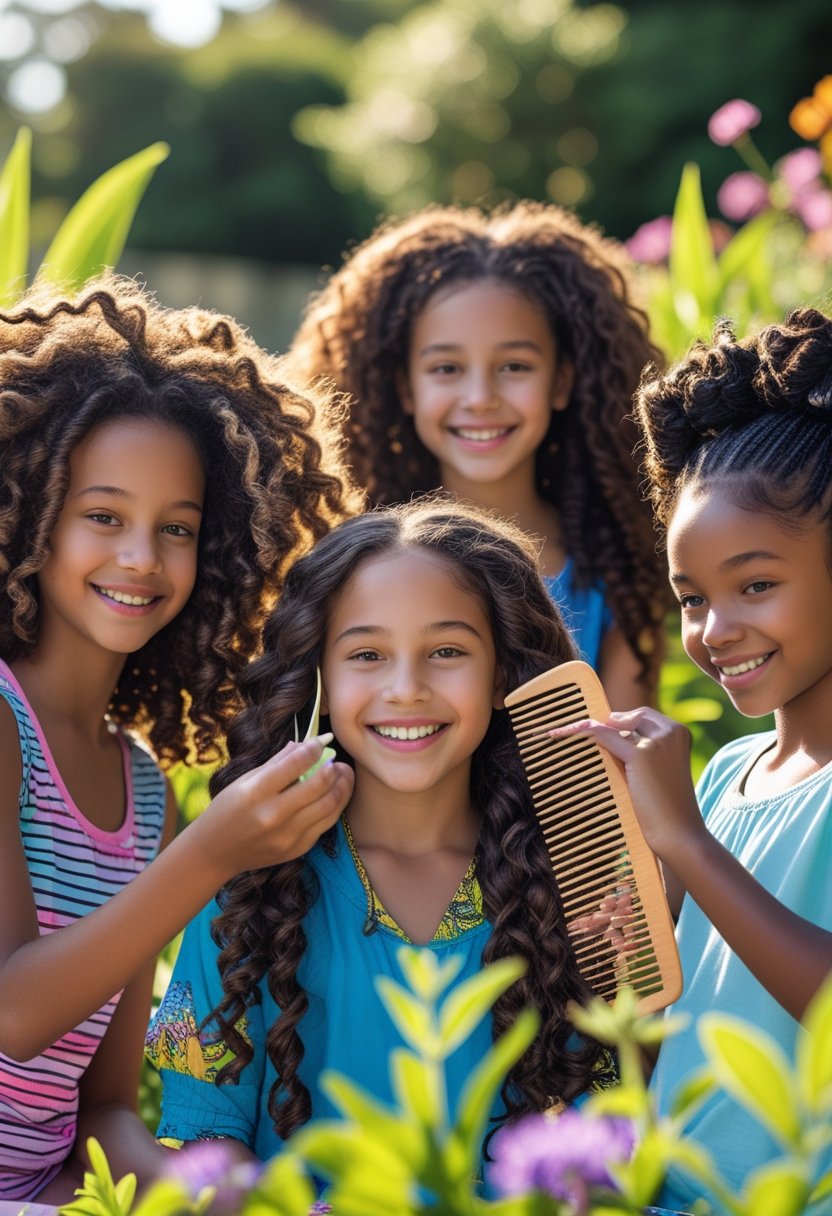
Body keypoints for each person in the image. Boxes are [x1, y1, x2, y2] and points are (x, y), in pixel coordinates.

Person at [0, 275, 357, 1203]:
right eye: (104, 517)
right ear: (26, 521)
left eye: (179, 530)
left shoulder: (146, 789)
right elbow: (12, 1014)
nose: (141, 559)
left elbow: (104, 1107)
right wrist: (211, 853)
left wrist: (210, 1190)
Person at [146, 496, 617, 1174]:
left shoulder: (573, 882)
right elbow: (205, 1140)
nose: (406, 688)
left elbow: (619, 1120)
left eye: (447, 651)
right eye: (367, 653)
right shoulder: (246, 882)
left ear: (502, 676)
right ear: (318, 680)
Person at [550, 309, 832, 1210]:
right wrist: (629, 956)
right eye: (692, 597)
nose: (716, 630)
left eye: (756, 585)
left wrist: (689, 846)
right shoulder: (722, 779)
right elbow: (668, 1038)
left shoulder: (706, 812)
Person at [286, 201, 670, 708]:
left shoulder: (618, 570)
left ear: (561, 380)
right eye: (446, 368)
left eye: (514, 366)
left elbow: (618, 770)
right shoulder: (345, 560)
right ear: (403, 387)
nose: (480, 397)